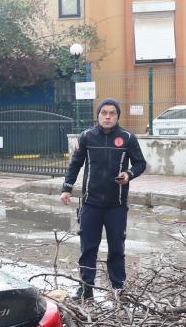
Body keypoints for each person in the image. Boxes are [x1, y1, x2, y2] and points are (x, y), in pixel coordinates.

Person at [60, 98, 147, 299]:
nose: (108, 117)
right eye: (104, 113)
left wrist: (128, 174)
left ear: (117, 116)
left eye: (112, 113)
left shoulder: (127, 138)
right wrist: (67, 188)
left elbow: (140, 163)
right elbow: (75, 164)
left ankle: (118, 288)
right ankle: (86, 289)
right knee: (88, 248)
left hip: (116, 205)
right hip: (90, 204)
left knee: (116, 248)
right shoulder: (86, 137)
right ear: (98, 115)